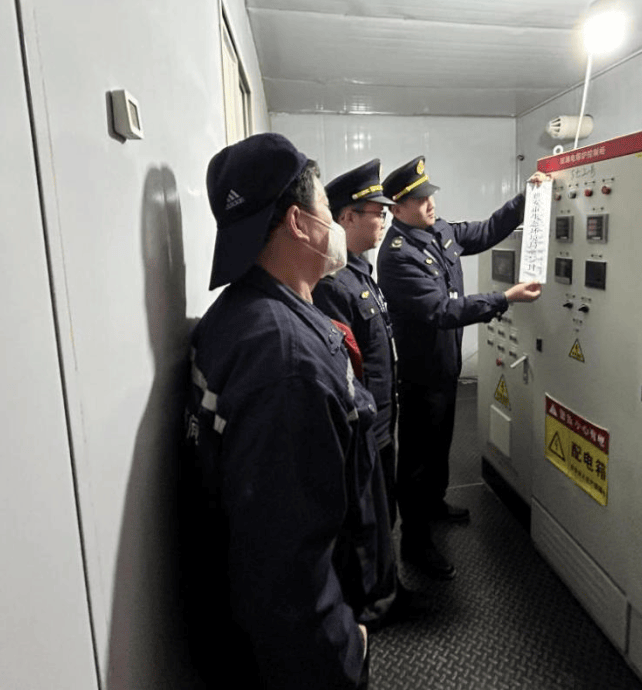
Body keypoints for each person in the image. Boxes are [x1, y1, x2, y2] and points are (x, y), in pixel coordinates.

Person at [182, 133, 380, 688]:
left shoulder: (242, 313)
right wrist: (346, 648)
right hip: (302, 656)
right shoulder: (286, 361)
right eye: (327, 210)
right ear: (298, 222)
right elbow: (287, 566)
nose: (334, 225)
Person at [377, 156, 545, 579]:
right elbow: (441, 311)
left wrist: (527, 198)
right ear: (397, 208)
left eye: (429, 195)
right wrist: (504, 298)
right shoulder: (397, 256)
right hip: (421, 373)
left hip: (446, 365)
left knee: (440, 444)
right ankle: (415, 541)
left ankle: (434, 503)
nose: (429, 204)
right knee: (417, 458)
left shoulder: (440, 231)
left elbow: (486, 231)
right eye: (419, 200)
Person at [312, 159, 401, 626]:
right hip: (365, 429)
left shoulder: (361, 272)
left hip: (383, 421)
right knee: (366, 524)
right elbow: (344, 369)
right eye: (376, 213)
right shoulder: (333, 284)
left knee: (384, 517)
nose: (384, 220)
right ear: (347, 217)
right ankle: (371, 607)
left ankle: (387, 588)